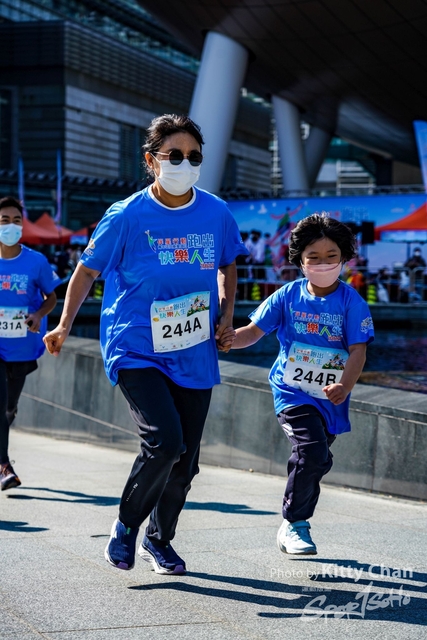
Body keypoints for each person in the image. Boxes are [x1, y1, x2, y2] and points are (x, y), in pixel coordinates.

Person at [43, 114, 248, 575]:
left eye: (194, 156)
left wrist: (226, 315)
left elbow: (227, 264)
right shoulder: (127, 215)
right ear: (152, 160)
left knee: (186, 463)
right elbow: (86, 272)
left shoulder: (216, 212)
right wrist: (63, 325)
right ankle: (126, 525)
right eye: (174, 155)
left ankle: (159, 540)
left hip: (193, 348)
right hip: (136, 344)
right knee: (165, 440)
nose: (185, 163)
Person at [222, 213, 374, 555]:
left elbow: (358, 350)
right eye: (313, 257)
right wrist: (229, 340)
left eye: (331, 256)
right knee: (312, 451)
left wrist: (344, 386)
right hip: (291, 392)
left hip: (330, 396)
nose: (323, 264)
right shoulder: (287, 296)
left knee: (317, 458)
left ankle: (297, 514)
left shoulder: (352, 302)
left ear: (344, 257)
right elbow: (253, 332)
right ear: (300, 260)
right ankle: (294, 523)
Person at [0, 196, 59, 490]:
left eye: (16, 220)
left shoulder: (36, 262)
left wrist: (38, 315)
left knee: (8, 409)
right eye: (4, 220)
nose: (10, 225)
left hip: (22, 347)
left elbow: (52, 298)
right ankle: (4, 466)